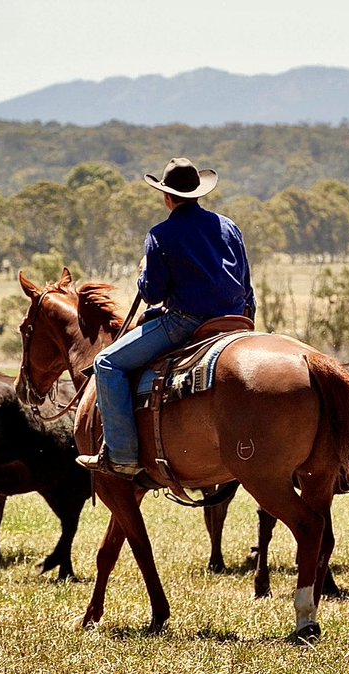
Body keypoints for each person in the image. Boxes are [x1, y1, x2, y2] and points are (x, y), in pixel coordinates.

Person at [76, 157, 255, 477]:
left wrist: (143, 274)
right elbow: (246, 284)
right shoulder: (229, 226)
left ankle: (123, 455)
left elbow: (153, 293)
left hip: (187, 323)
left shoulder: (161, 234)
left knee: (107, 364)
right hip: (235, 322)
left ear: (167, 197)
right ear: (198, 193)